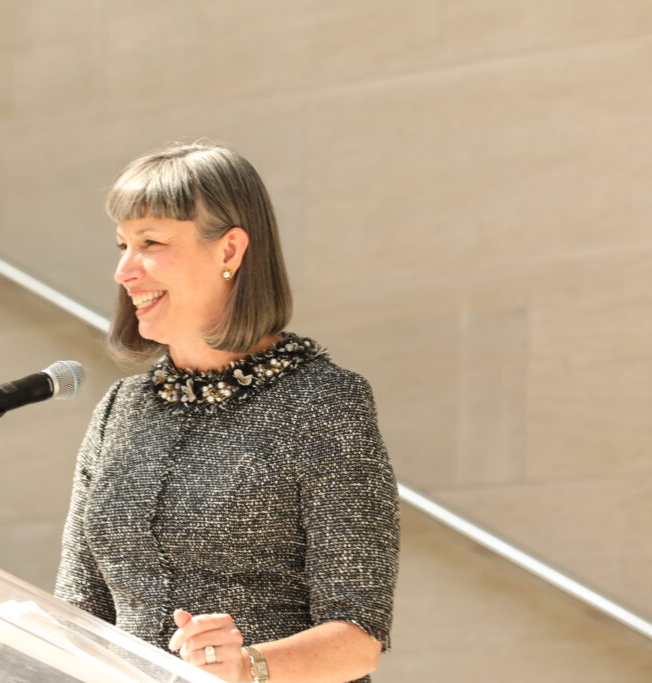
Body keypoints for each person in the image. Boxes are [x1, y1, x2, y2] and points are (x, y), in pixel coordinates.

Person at [54, 141, 400, 683]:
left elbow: (358, 635)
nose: (125, 270)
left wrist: (247, 667)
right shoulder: (120, 410)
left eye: (151, 242)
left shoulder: (324, 403)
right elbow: (77, 612)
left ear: (230, 251)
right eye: (122, 244)